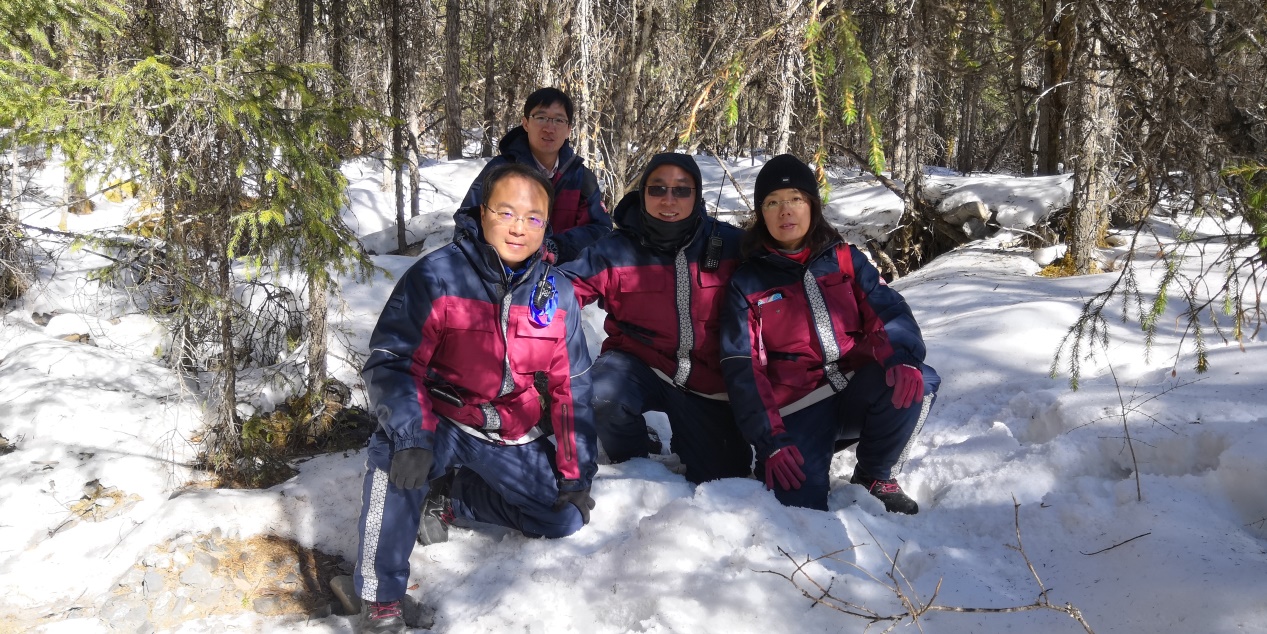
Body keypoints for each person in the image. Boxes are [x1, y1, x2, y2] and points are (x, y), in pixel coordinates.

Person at [354, 163, 597, 633]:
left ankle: (454, 498)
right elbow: (393, 362)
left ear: (546, 225)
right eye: (506, 212)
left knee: (564, 517)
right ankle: (380, 599)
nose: (519, 227)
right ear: (482, 213)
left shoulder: (556, 293)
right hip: (441, 418)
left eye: (533, 218)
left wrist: (576, 473)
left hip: (507, 428)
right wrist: (412, 436)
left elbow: (573, 389)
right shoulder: (438, 275)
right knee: (394, 458)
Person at [719, 154, 940, 514]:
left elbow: (887, 310)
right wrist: (770, 439)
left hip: (855, 390)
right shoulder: (747, 282)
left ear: (812, 205)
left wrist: (902, 356)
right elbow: (744, 368)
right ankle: (806, 452)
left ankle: (875, 474)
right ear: (761, 214)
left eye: (795, 199)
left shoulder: (844, 259)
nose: (785, 211)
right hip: (798, 407)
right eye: (772, 202)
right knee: (798, 505)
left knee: (919, 380)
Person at [561, 153, 753, 485]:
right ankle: (635, 461)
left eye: (682, 190)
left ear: (697, 195)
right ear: (643, 193)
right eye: (658, 188)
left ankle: (694, 441)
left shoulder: (731, 245)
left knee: (723, 478)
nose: (669, 199)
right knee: (601, 396)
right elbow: (565, 290)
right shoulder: (616, 249)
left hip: (708, 383)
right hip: (638, 365)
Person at [460, 87, 611, 263]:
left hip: (564, 274)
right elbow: (467, 225)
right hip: (505, 272)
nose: (549, 128)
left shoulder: (581, 178)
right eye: (541, 117)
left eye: (559, 120)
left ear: (569, 129)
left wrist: (556, 247)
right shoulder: (500, 172)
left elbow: (600, 229)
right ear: (525, 124)